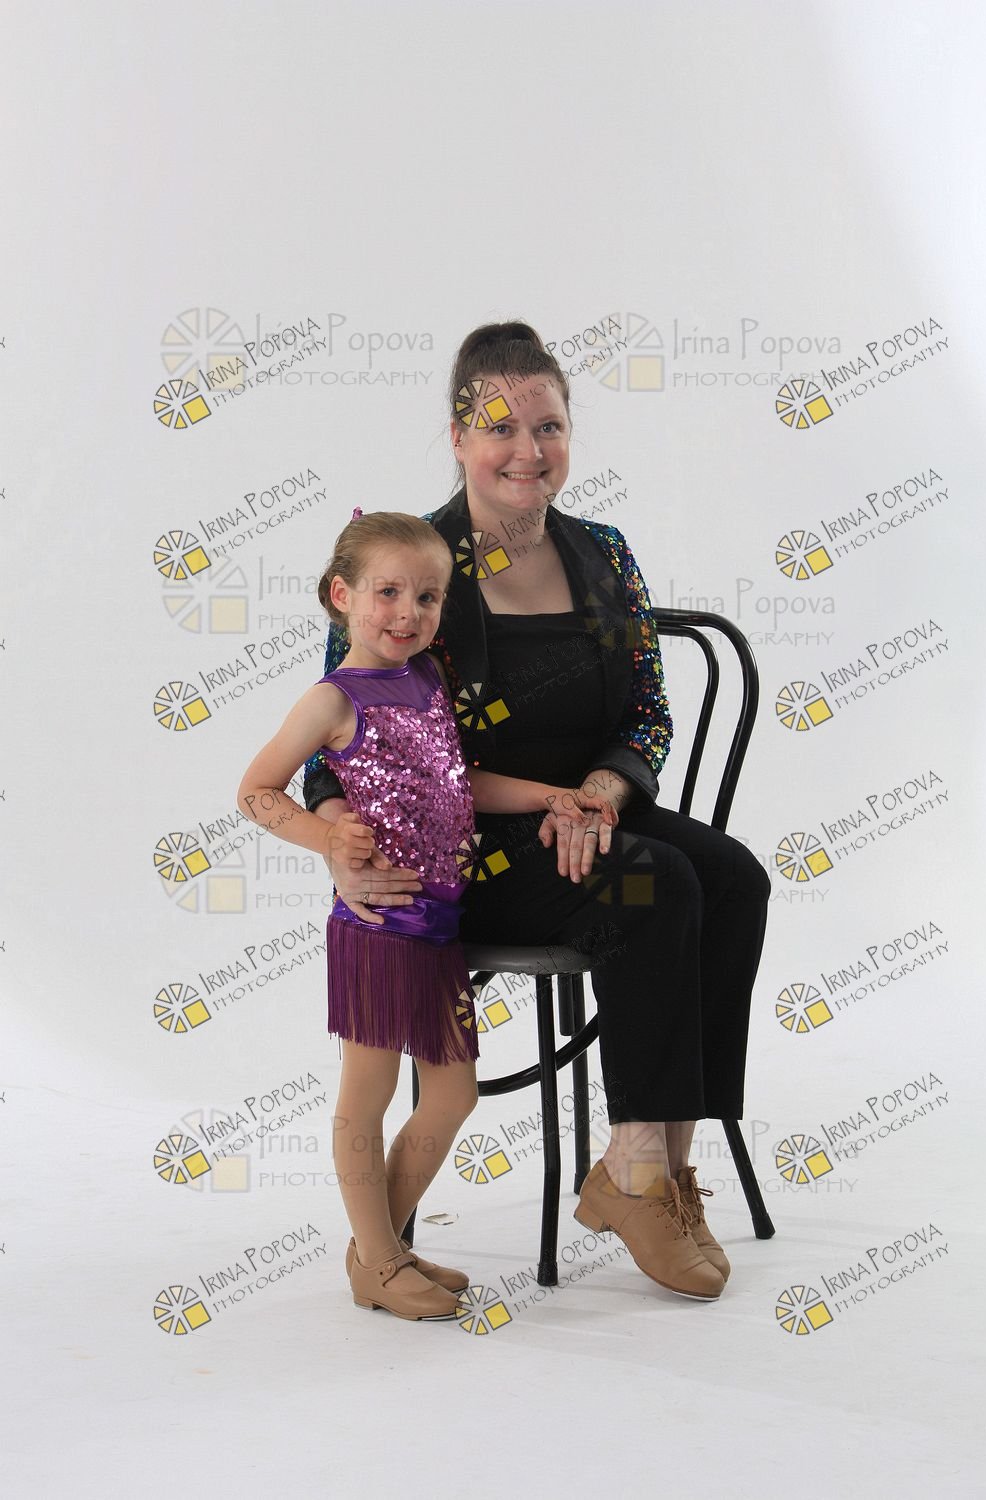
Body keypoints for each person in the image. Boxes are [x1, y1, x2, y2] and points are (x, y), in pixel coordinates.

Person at [303, 321, 772, 1303]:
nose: (528, 450)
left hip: (587, 813)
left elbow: (647, 712)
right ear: (457, 437)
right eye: (500, 428)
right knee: (656, 882)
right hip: (464, 849)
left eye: (549, 426)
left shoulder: (602, 552)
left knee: (733, 878)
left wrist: (598, 794)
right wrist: (339, 839)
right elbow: (336, 740)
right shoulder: (413, 562)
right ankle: (633, 1176)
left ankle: (658, 1162)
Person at [236, 506, 619, 1322]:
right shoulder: (332, 699)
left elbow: (459, 784)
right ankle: (379, 1258)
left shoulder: (426, 682)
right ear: (341, 595)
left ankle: (377, 1250)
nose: (407, 613)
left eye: (428, 597)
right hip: (380, 928)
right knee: (366, 1099)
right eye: (388, 593)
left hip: (440, 924)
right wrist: (327, 839)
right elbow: (255, 791)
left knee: (453, 1095)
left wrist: (552, 793)